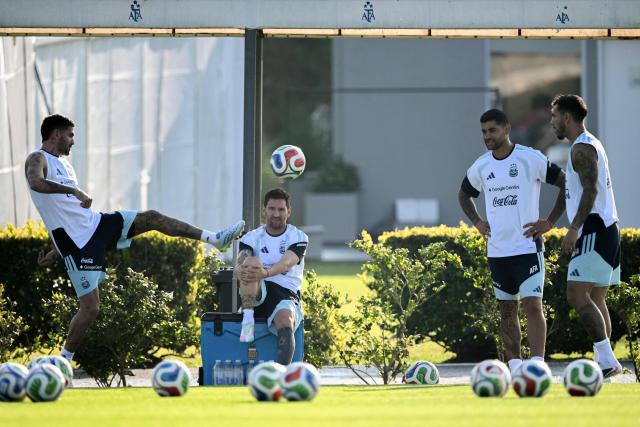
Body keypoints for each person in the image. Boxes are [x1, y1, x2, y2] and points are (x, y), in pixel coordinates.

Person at [25, 114, 245, 363]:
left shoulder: (65, 165)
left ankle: (215, 238)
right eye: (70, 135)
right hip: (77, 245)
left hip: (97, 225)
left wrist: (54, 250)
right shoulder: (37, 158)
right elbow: (36, 183)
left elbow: (62, 212)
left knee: (151, 217)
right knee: (91, 308)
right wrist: (73, 193)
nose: (73, 141)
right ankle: (63, 361)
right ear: (56, 134)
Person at [458, 109, 566, 373]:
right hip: (497, 251)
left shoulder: (530, 158)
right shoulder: (481, 166)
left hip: (528, 248)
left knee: (532, 304)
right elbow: (463, 195)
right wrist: (478, 222)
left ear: (506, 129)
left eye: (492, 130)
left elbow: (566, 184)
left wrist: (549, 222)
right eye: (483, 131)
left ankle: (538, 366)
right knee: (507, 311)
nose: (487, 136)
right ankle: (515, 367)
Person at [550, 94, 623, 377]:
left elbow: (590, 191)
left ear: (566, 117)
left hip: (594, 227)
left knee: (576, 294)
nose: (552, 122)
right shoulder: (591, 144)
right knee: (596, 298)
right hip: (607, 229)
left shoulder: (581, 149)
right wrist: (550, 221)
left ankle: (607, 362)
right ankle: (607, 360)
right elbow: (572, 190)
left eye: (554, 116)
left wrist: (573, 228)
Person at [234, 188, 308, 366]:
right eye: (272, 209)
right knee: (250, 262)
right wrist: (239, 269)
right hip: (257, 291)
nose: (276, 214)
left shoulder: (298, 236)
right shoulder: (251, 237)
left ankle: (282, 374)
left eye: (281, 209)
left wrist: (265, 273)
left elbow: (286, 263)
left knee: (285, 319)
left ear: (288, 212)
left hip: (285, 293)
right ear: (264, 210)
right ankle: (248, 317)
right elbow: (241, 262)